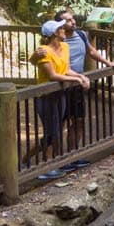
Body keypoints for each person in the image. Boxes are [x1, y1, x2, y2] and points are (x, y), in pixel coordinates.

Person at [23, 19, 91, 166]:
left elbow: (66, 69)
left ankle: (35, 160)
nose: (64, 29)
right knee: (52, 132)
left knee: (56, 131)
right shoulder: (44, 51)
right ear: (55, 33)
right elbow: (53, 75)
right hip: (46, 97)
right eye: (61, 28)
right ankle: (47, 165)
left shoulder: (65, 46)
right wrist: (76, 80)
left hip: (60, 95)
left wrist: (80, 76)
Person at [55, 8, 114, 147]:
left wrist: (108, 63)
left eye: (72, 18)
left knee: (78, 121)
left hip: (77, 85)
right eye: (68, 20)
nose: (73, 22)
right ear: (59, 25)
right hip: (60, 86)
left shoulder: (81, 34)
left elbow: (91, 51)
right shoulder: (57, 41)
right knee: (57, 126)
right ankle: (54, 160)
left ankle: (73, 156)